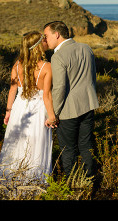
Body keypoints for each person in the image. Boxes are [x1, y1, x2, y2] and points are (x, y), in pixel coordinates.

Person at [0, 31, 56, 185]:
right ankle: (34, 183)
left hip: (19, 109)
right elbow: (46, 96)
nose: (45, 42)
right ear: (37, 47)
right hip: (38, 110)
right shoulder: (47, 66)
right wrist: (52, 116)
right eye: (43, 40)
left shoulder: (16, 65)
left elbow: (12, 90)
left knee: (16, 144)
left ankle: (10, 182)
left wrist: (8, 112)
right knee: (35, 144)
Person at [42, 21, 100, 181]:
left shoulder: (58, 56)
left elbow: (59, 88)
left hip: (68, 111)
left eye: (46, 36)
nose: (45, 40)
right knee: (87, 146)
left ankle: (74, 185)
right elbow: (92, 77)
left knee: (68, 150)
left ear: (57, 34)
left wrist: (52, 113)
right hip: (89, 105)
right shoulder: (86, 48)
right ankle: (90, 181)